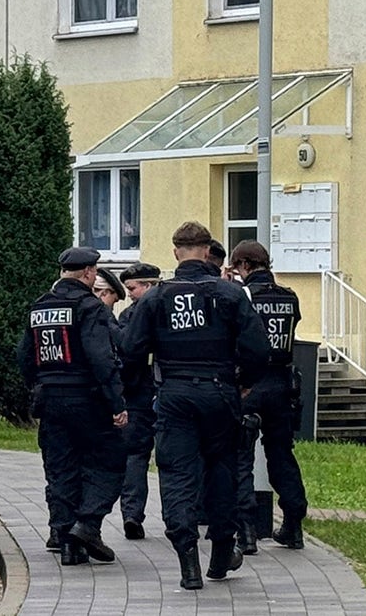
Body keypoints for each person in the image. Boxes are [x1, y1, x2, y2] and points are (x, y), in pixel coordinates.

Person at [121, 222, 269, 590]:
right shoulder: (230, 294)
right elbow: (258, 349)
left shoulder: (156, 297)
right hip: (220, 393)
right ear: (206, 252)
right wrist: (244, 382)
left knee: (177, 475)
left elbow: (131, 350)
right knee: (222, 471)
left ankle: (188, 563)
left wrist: (137, 389)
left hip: (174, 394)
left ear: (176, 252)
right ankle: (221, 553)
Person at [16, 246, 128, 566]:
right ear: (90, 273)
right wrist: (116, 403)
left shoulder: (40, 306)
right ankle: (88, 525)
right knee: (110, 460)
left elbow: (24, 356)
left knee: (61, 468)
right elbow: (101, 359)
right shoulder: (89, 307)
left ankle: (67, 543)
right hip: (87, 399)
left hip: (50, 401)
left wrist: (40, 386)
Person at [230, 240, 309, 552]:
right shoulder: (289, 296)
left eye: (237, 268)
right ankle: (293, 525)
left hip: (249, 385)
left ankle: (246, 531)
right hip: (282, 386)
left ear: (245, 265)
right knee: (282, 456)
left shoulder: (243, 295)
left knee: (241, 459)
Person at [115, 262, 162, 540]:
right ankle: (180, 516)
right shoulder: (171, 310)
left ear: (148, 285)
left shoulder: (130, 317)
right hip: (164, 392)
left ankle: (132, 514)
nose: (129, 294)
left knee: (136, 456)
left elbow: (124, 353)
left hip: (138, 394)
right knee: (172, 460)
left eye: (132, 288)